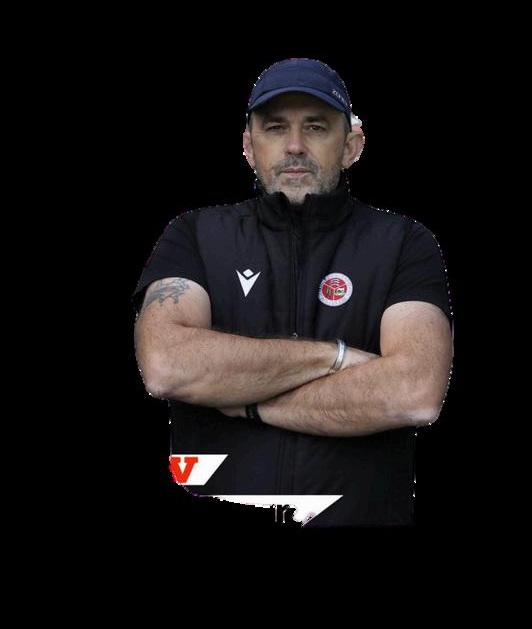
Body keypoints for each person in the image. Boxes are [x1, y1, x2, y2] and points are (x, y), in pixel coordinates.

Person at [132, 57, 454, 526]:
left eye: (317, 127)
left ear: (351, 146)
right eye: (276, 127)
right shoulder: (195, 235)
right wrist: (335, 358)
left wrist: (244, 400)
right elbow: (166, 365)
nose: (295, 146)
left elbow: (414, 392)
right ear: (249, 146)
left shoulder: (404, 242)